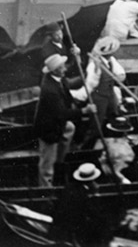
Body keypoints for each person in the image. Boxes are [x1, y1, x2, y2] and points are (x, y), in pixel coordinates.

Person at [33, 51, 88, 187]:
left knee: (70, 128)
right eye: (63, 67)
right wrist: (83, 111)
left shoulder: (59, 78)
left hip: (57, 123)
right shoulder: (49, 90)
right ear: (56, 70)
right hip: (48, 129)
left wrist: (84, 74)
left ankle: (60, 160)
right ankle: (46, 190)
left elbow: (68, 86)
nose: (66, 68)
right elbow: (62, 113)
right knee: (47, 164)